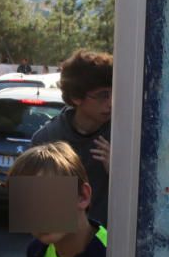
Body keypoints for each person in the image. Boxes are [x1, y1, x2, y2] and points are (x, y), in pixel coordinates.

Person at [31, 49, 112, 225]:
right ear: (76, 97)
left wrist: (119, 173)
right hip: (63, 247)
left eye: (114, 93)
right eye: (103, 96)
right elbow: (35, 214)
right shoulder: (45, 140)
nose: (111, 102)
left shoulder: (124, 135)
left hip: (112, 247)